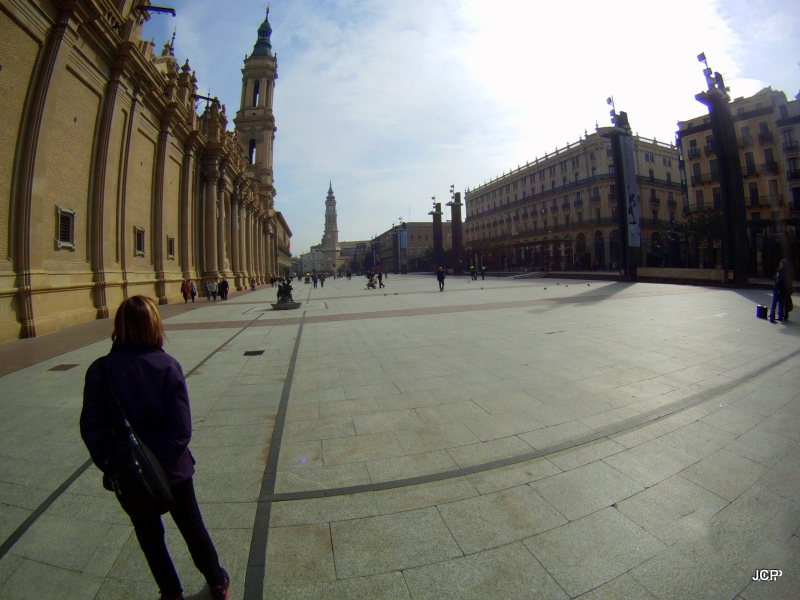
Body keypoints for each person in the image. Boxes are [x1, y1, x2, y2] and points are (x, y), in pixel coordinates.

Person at [80, 296, 230, 600]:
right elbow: (180, 429)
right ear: (154, 325)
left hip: (131, 476)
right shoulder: (167, 366)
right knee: (192, 528)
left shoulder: (101, 370)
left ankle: (171, 592)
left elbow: (91, 428)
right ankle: (216, 581)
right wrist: (157, 465)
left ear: (119, 327)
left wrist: (117, 465)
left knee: (149, 537)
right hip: (173, 470)